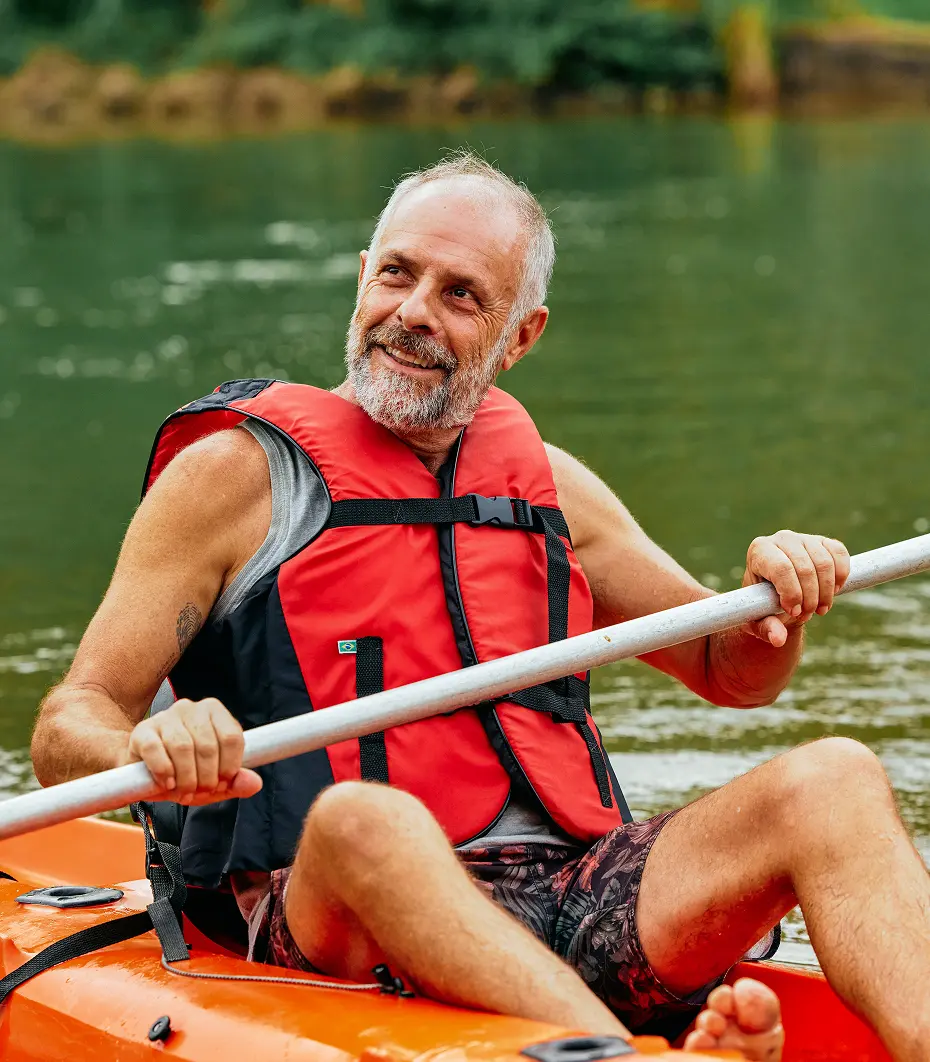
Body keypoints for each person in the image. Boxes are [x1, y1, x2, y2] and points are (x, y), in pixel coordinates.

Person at [30, 154, 930, 1062]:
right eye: (397, 273)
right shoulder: (231, 479)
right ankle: (630, 1054)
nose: (414, 311)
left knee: (835, 776)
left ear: (520, 336)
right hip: (337, 911)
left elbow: (731, 670)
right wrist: (143, 747)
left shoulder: (550, 487)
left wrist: (780, 595)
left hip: (573, 894)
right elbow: (69, 725)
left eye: (462, 295)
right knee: (362, 816)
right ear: (361, 277)